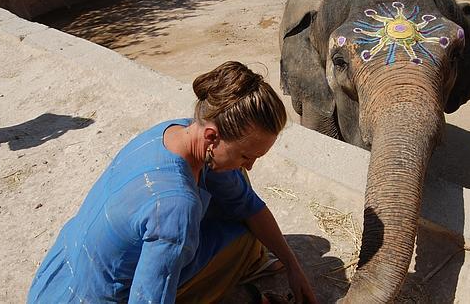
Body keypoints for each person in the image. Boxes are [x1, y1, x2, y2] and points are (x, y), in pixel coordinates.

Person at [28, 61, 318, 303]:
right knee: (242, 241)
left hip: (56, 279)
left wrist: (293, 266)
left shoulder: (176, 132)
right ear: (212, 138)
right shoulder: (176, 208)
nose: (251, 166)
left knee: (236, 187)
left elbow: (248, 205)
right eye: (245, 155)